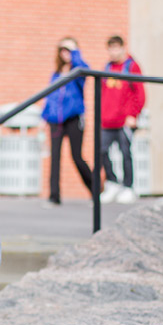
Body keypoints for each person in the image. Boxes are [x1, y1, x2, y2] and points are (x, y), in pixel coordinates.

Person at [41, 37, 95, 206]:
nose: (65, 53)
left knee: (76, 156)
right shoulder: (56, 74)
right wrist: (44, 117)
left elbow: (85, 69)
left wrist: (75, 52)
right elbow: (50, 97)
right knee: (54, 158)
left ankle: (95, 191)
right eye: (63, 49)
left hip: (74, 118)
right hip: (55, 120)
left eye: (69, 50)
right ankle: (54, 196)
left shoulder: (78, 71)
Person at [99, 35, 146, 204]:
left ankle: (128, 187)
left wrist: (134, 115)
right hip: (107, 120)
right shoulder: (107, 67)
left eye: (115, 48)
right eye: (110, 48)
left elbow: (139, 93)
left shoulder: (131, 66)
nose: (113, 52)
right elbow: (103, 94)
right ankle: (112, 182)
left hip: (125, 120)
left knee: (126, 153)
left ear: (122, 48)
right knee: (101, 151)